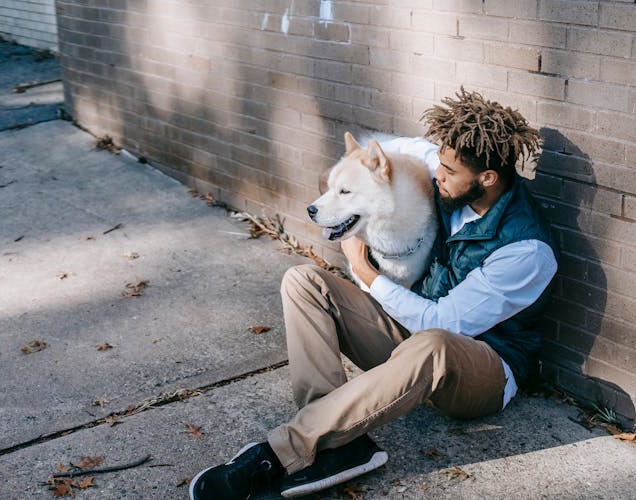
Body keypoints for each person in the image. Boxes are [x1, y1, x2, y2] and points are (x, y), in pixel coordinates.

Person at [189, 88, 558, 500]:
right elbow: (368, 153)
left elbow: (445, 324)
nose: (437, 172)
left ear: (487, 179)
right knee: (304, 281)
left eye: (449, 171)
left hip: (482, 369)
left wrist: (364, 269)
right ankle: (339, 445)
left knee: (434, 343)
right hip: (412, 341)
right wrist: (344, 185)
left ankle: (283, 451)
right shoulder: (450, 173)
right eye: (439, 159)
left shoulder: (526, 250)